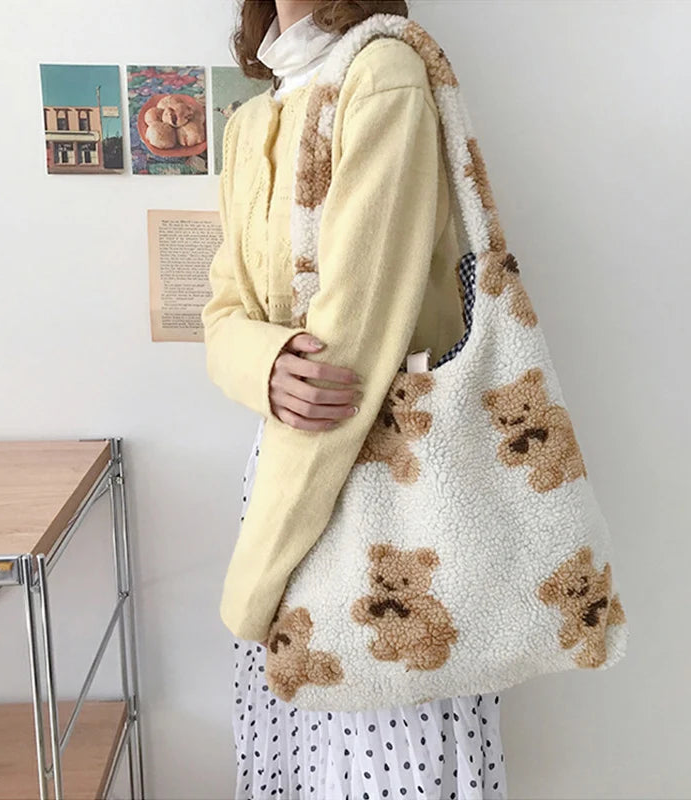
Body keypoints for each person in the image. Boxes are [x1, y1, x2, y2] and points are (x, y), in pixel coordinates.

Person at [201, 1, 509, 797]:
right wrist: (265, 361)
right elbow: (223, 313)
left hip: (386, 495)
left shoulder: (383, 75)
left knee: (381, 759)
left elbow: (352, 358)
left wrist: (261, 572)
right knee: (305, 757)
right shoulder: (250, 120)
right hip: (283, 469)